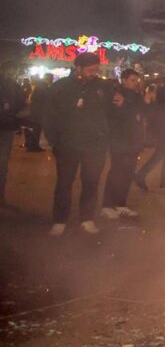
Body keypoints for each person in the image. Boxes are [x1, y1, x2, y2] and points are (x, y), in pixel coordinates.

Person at [41, 53, 112, 235]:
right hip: (67, 145)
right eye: (90, 70)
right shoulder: (61, 87)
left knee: (91, 183)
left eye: (96, 70)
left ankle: (87, 218)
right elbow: (48, 114)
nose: (93, 73)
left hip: (95, 146)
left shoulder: (103, 87)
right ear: (78, 68)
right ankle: (60, 220)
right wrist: (54, 139)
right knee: (64, 183)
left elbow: (111, 112)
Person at [102, 69, 152, 219]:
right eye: (132, 80)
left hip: (133, 140)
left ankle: (120, 204)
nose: (135, 83)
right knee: (117, 172)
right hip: (120, 140)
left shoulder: (136, 95)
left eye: (136, 80)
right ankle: (107, 205)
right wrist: (129, 107)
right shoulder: (116, 95)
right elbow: (118, 116)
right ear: (123, 80)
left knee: (127, 173)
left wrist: (147, 103)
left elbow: (141, 114)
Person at [0, 62, 22, 204]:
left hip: (7, 127)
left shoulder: (15, 87)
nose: (12, 73)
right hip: (6, 125)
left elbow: (20, 105)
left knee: (3, 164)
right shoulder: (11, 86)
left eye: (14, 70)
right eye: (9, 70)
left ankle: (1, 195)